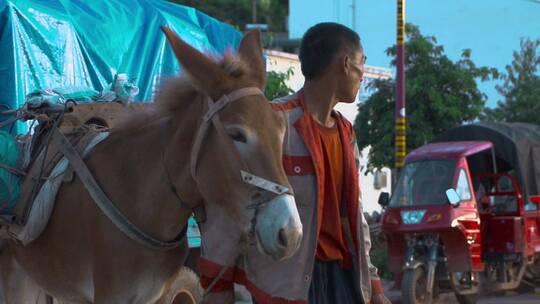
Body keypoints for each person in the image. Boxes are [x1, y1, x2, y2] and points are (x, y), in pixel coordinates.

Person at [199, 23, 391, 304]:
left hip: (343, 278)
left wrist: (374, 284)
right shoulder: (275, 123)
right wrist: (218, 286)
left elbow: (355, 215)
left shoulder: (346, 133)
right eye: (363, 63)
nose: (364, 74)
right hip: (287, 284)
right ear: (346, 64)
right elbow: (232, 205)